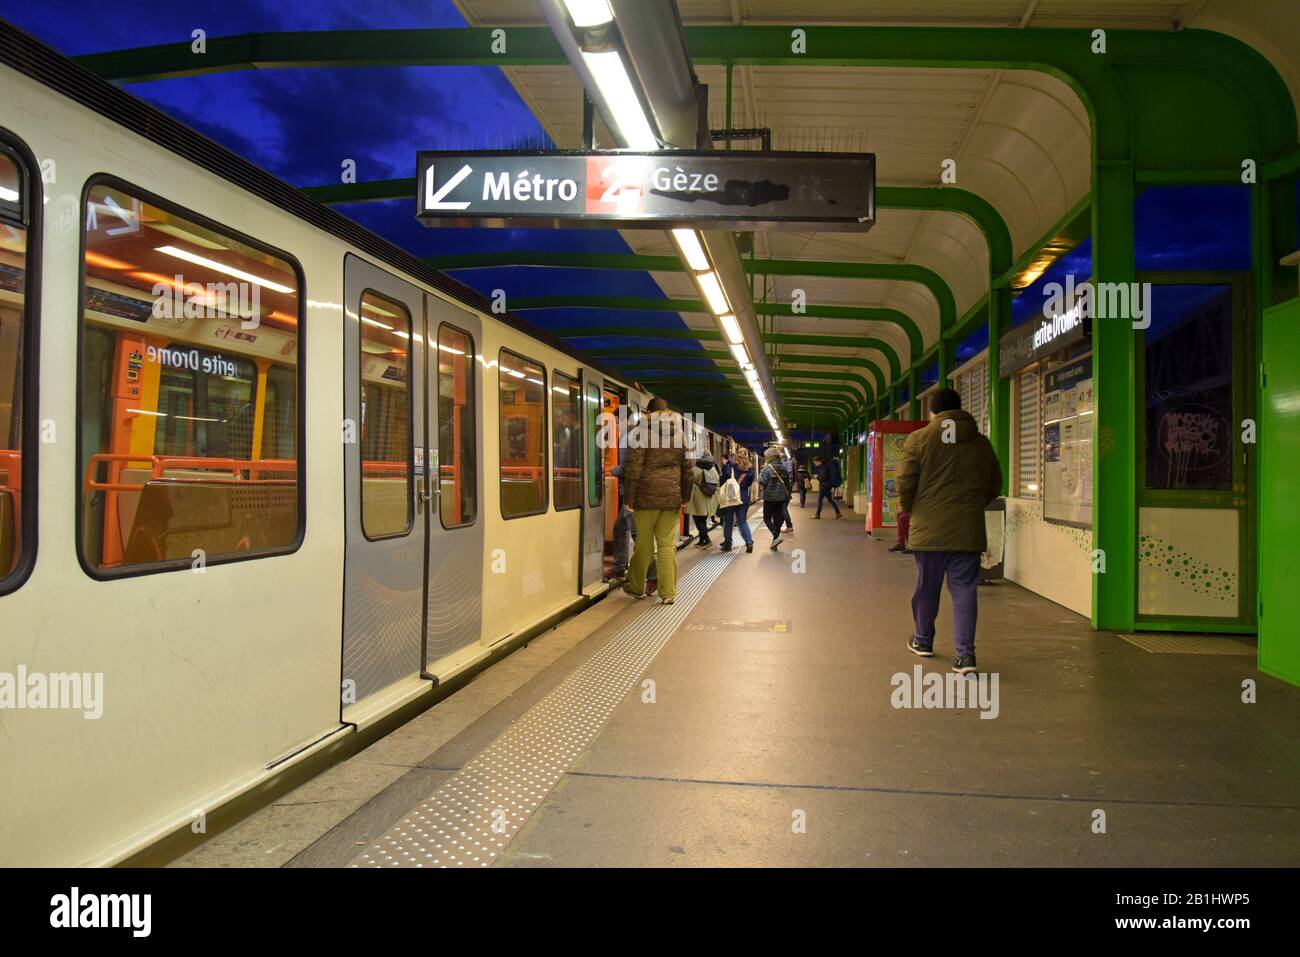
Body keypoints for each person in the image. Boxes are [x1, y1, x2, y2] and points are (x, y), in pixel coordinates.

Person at [897, 387, 1002, 675]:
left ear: (933, 413)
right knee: (965, 591)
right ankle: (966, 657)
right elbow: (995, 484)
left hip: (929, 530)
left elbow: (905, 481)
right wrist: (971, 506)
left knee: (926, 588)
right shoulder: (981, 443)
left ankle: (923, 641)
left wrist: (911, 508)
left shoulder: (918, 439)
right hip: (967, 531)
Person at [622, 397, 693, 605]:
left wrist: (629, 498)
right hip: (671, 499)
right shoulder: (679, 434)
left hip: (645, 497)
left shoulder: (640, 432)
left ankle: (636, 587)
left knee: (643, 544)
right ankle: (668, 593)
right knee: (667, 545)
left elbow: (633, 469)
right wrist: (685, 497)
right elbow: (688, 471)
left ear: (647, 412)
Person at [719, 447, 755, 553]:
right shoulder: (750, 470)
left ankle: (728, 544)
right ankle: (749, 543)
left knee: (728, 521)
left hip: (731, 497)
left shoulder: (730, 467)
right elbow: (749, 483)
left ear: (736, 456)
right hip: (743, 496)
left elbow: (722, 481)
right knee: (742, 521)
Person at [757, 447, 792, 550]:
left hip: (770, 498)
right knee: (777, 521)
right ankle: (774, 544)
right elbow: (787, 483)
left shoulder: (767, 468)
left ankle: (776, 537)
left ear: (769, 457)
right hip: (781, 498)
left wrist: (761, 472)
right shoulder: (783, 467)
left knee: (767, 519)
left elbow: (762, 481)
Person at [686, 447, 720, 547]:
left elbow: (689, 481)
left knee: (698, 520)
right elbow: (717, 481)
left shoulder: (695, 469)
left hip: (698, 499)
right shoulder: (713, 469)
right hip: (710, 498)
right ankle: (702, 540)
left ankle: (706, 540)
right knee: (703, 520)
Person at [811, 455, 843, 519]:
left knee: (820, 500)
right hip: (827, 485)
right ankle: (838, 513)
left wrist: (817, 476)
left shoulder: (823, 467)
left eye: (815, 463)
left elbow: (824, 477)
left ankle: (817, 514)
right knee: (830, 500)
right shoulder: (823, 466)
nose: (815, 464)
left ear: (818, 461)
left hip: (824, 486)